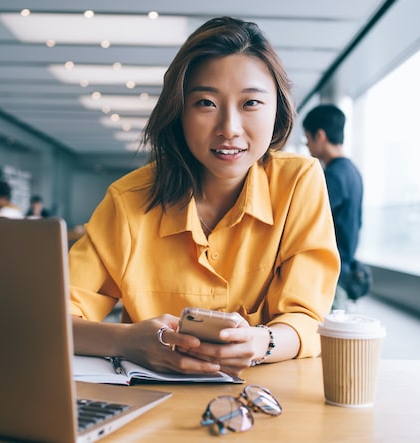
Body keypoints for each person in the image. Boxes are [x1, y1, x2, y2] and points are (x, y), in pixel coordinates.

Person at [68, 16, 340, 378]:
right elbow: (54, 319)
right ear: (179, 110)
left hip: (265, 404)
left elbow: (308, 318)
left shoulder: (298, 183)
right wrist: (127, 340)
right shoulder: (128, 200)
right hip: (150, 408)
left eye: (251, 103)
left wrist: (261, 341)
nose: (229, 128)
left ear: (278, 109)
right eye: (206, 103)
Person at [302, 104, 365, 309]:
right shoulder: (352, 172)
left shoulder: (333, 177)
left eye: (308, 139)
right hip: (345, 267)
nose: (308, 146)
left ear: (320, 135)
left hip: (332, 273)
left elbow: (309, 221)